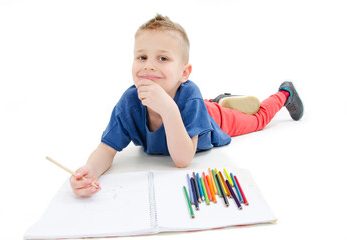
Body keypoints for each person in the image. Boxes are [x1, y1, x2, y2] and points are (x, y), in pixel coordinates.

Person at [70, 14, 303, 197]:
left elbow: (182, 159)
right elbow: (105, 149)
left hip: (213, 120)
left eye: (162, 58)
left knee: (257, 120)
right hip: (197, 106)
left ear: (184, 73)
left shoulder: (189, 93)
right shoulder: (129, 102)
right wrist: (90, 170)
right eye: (142, 57)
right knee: (202, 104)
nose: (149, 66)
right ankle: (220, 99)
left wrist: (169, 109)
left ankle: (284, 93)